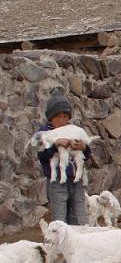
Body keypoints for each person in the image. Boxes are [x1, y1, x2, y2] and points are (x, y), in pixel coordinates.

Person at [36, 87, 91, 225]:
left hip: (75, 182)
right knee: (60, 219)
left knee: (79, 216)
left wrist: (84, 148)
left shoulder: (73, 130)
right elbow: (42, 156)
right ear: (50, 117)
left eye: (65, 116)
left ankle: (79, 243)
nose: (62, 120)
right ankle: (61, 244)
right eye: (58, 117)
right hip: (56, 182)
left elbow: (86, 155)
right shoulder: (44, 133)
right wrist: (55, 145)